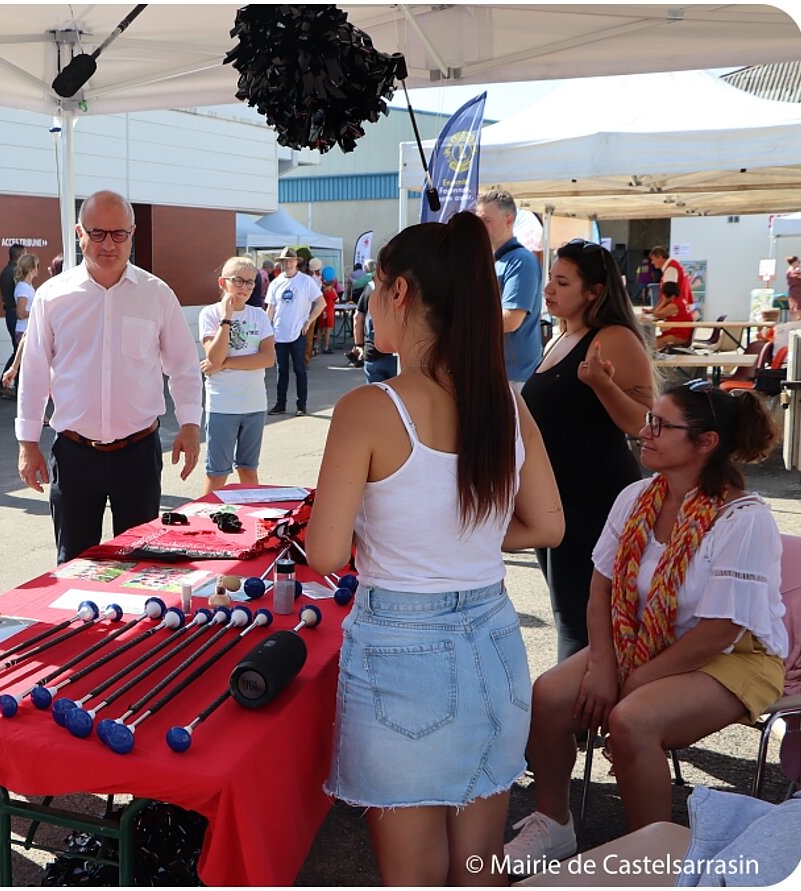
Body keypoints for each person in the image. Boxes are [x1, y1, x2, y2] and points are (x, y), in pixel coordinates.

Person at [305, 211, 564, 886]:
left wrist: (395, 533)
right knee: (477, 866)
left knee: (413, 875)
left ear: (402, 292)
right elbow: (548, 524)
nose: (367, 303)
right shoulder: (506, 402)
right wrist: (459, 537)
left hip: (403, 649)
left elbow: (325, 553)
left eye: (375, 285)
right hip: (497, 643)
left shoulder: (371, 406)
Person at [505, 380, 785, 865]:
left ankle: (651, 861)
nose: (644, 431)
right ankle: (553, 825)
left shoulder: (743, 519)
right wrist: (600, 668)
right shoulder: (637, 496)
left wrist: (629, 681)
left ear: (705, 442)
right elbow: (601, 590)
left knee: (631, 720)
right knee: (549, 696)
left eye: (661, 424)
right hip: (645, 643)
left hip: (732, 656)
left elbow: (720, 631)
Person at [15, 190, 203, 564]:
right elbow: (34, 371)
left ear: (132, 233)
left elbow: (183, 365)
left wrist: (190, 425)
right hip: (73, 455)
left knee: (140, 565)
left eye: (119, 234)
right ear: (78, 233)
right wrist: (27, 442)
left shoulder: (157, 294)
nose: (108, 243)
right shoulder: (52, 296)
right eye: (97, 233)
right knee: (74, 566)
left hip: (137, 453)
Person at [523, 238, 654, 662]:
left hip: (594, 497)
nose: (549, 290)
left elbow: (643, 423)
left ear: (594, 292)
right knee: (570, 612)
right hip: (556, 497)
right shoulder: (561, 337)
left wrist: (602, 384)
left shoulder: (611, 337)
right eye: (550, 280)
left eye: (562, 282)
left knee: (579, 620)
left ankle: (575, 721)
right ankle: (580, 716)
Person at [197, 256, 275, 495]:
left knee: (249, 470)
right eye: (239, 281)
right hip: (223, 404)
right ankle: (208, 523)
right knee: (217, 473)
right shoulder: (209, 314)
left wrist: (224, 364)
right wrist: (227, 318)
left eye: (250, 283)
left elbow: (267, 359)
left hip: (254, 404)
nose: (245, 288)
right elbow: (215, 356)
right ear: (223, 282)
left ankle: (253, 520)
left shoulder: (259, 315)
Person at [475, 189, 543, 390]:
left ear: (508, 220)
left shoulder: (521, 261)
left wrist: (464, 322)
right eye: (478, 220)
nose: (481, 226)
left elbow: (511, 320)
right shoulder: (492, 261)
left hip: (515, 377)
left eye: (487, 220)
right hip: (497, 374)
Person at [266, 246, 324, 416]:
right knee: (281, 370)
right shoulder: (275, 283)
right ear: (281, 264)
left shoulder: (306, 281)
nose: (288, 264)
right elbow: (270, 308)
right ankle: (280, 403)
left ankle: (301, 405)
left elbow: (321, 303)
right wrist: (266, 330)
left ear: (296, 263)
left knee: (300, 369)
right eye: (285, 261)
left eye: (291, 261)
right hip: (279, 333)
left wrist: (309, 320)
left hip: (297, 332)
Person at [0, 254, 64, 392]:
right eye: (37, 266)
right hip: (24, 329)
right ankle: (19, 392)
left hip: (29, 329)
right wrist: (39, 312)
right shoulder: (23, 287)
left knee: (30, 366)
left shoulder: (27, 286)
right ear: (31, 268)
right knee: (28, 367)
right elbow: (20, 313)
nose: (39, 269)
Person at [0, 242, 26, 397]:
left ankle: (6, 384)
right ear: (20, 256)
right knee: (20, 351)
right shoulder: (16, 273)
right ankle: (11, 384)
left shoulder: (4, 271)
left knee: (17, 350)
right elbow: (19, 296)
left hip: (9, 313)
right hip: (15, 314)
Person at [648, 280, 697, 350]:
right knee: (650, 341)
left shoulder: (674, 305)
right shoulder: (681, 300)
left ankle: (650, 359)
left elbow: (657, 314)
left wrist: (664, 301)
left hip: (680, 336)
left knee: (653, 344)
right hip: (682, 333)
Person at [314, 265, 339, 356]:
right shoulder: (331, 291)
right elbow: (336, 299)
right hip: (329, 312)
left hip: (322, 311)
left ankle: (316, 345)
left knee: (320, 330)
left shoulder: (322, 290)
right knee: (328, 331)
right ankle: (326, 346)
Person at [786, 255, 801, 320]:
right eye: (798, 262)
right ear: (794, 262)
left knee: (798, 310)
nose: (799, 263)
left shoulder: (791, 270)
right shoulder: (792, 271)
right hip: (796, 292)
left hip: (796, 292)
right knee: (797, 310)